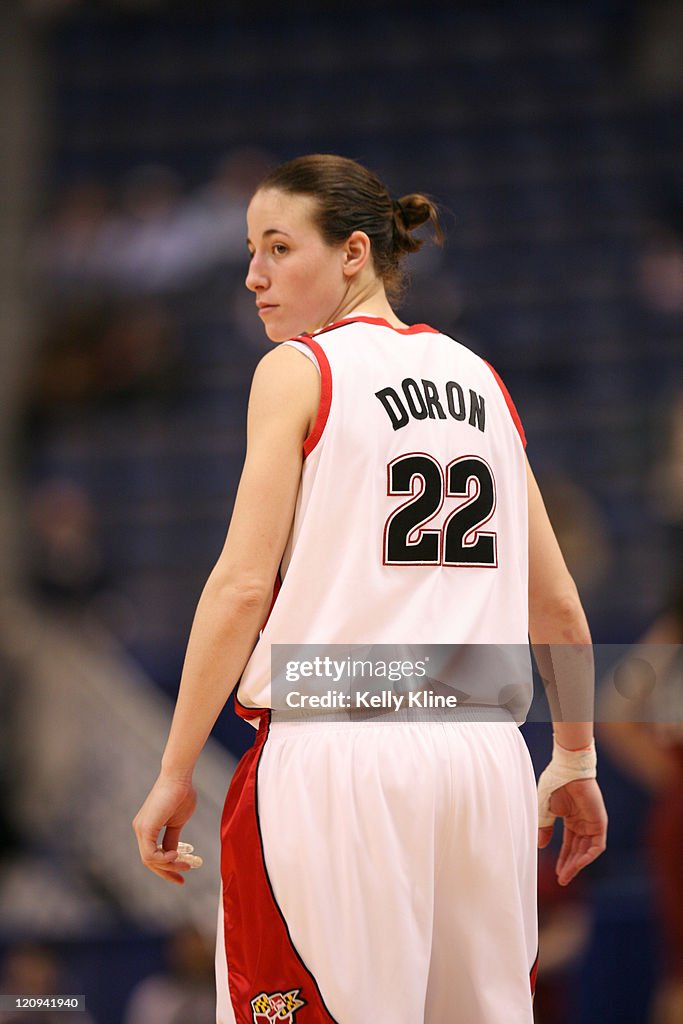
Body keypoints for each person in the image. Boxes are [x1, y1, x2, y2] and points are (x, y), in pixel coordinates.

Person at [133, 154, 607, 1024]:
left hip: (340, 750)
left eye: (279, 247)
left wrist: (172, 770)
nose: (253, 275)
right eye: (250, 250)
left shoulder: (299, 368)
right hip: (483, 761)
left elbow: (241, 585)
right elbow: (559, 604)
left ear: (354, 252)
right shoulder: (482, 381)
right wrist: (573, 757)